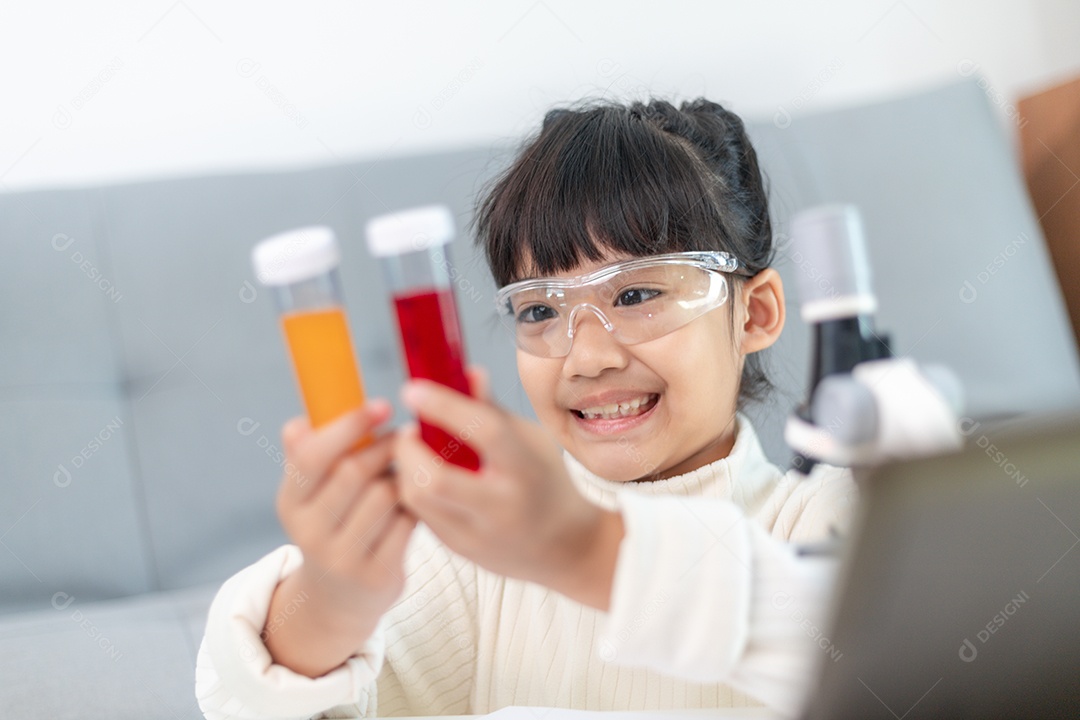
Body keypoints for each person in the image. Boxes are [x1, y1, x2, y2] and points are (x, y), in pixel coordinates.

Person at [196, 98, 855, 719]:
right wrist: (336, 597)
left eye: (636, 295)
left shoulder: (826, 515)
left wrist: (582, 547)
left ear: (756, 314)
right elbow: (254, 700)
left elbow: (901, 654)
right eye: (541, 310)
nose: (587, 356)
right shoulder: (474, 549)